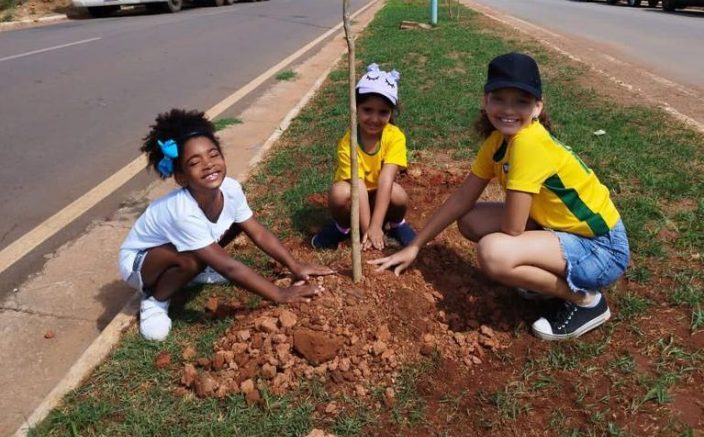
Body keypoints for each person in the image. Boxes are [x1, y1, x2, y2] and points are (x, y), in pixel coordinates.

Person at [370, 53, 630, 341]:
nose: (508, 110)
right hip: (564, 231)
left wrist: (515, 251)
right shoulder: (498, 141)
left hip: (602, 248)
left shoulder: (528, 144)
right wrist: (415, 246)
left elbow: (514, 229)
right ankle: (543, 279)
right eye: (499, 99)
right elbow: (462, 200)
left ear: (537, 106)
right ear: (485, 101)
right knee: (470, 220)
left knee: (493, 253)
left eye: (521, 101)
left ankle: (584, 300)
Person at [119, 109, 333, 341]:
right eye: (194, 162)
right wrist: (279, 293)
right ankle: (156, 300)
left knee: (236, 224)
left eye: (213, 155)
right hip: (140, 264)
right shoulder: (181, 211)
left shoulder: (230, 189)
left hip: (177, 246)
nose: (208, 165)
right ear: (181, 178)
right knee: (192, 259)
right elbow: (228, 267)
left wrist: (295, 265)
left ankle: (193, 273)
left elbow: (257, 231)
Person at [311, 63, 417, 251]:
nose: (374, 119)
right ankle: (343, 227)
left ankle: (396, 224)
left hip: (380, 195)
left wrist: (376, 225)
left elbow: (386, 179)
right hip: (354, 196)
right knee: (339, 193)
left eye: (383, 112)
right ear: (356, 108)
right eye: (368, 110)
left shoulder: (395, 137)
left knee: (398, 194)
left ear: (391, 112)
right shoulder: (348, 142)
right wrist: (368, 230)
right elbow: (357, 186)